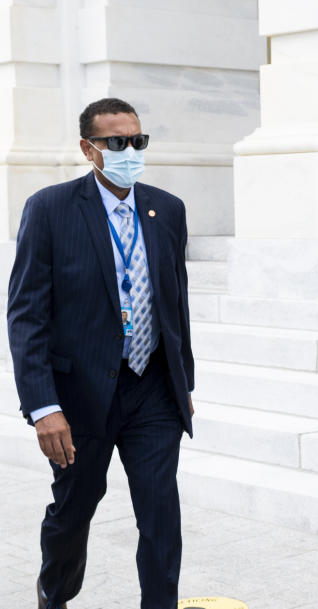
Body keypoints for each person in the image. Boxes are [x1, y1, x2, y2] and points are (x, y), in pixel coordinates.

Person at [7, 98, 195, 609]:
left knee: (161, 514)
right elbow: (25, 315)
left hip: (152, 388)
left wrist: (186, 384)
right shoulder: (50, 209)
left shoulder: (167, 210)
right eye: (117, 143)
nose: (129, 151)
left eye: (138, 141)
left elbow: (174, 301)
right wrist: (44, 406)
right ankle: (55, 593)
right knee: (74, 510)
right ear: (89, 149)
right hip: (81, 395)